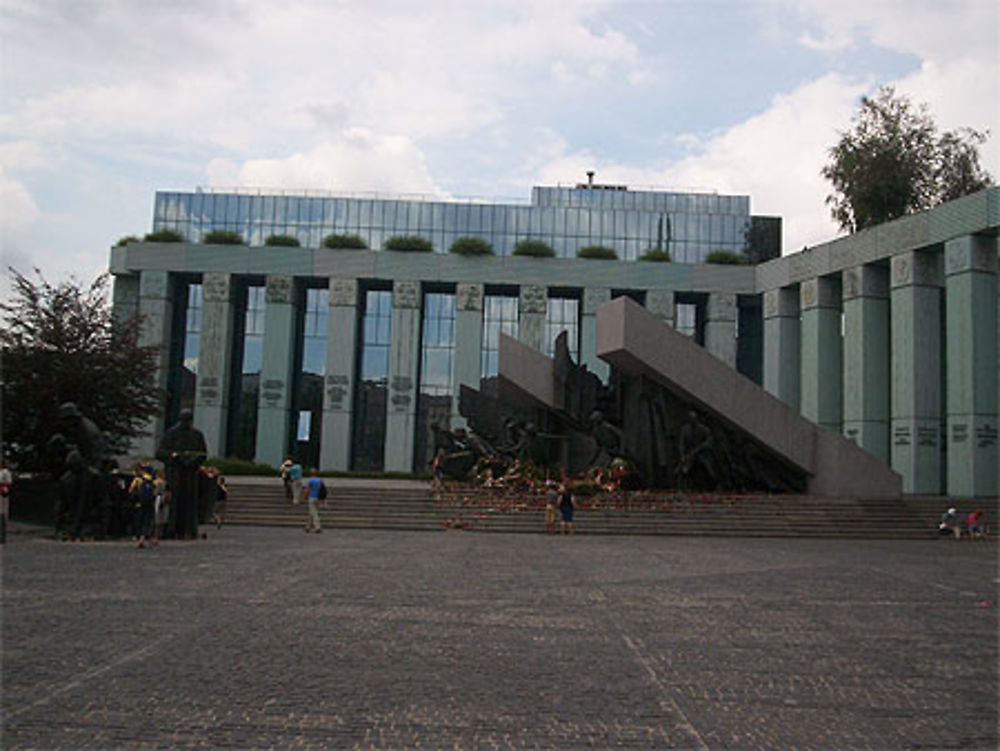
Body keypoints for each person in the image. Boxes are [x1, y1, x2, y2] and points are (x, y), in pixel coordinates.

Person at [156, 409, 207, 540]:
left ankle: (188, 530)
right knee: (174, 502)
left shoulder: (197, 435)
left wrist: (191, 461)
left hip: (190, 474)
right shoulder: (171, 433)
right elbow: (160, 453)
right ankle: (171, 530)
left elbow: (202, 454)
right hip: (175, 473)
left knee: (189, 503)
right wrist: (173, 456)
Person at [129, 464, 158, 548]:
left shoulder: (138, 479)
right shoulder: (153, 480)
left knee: (140, 520)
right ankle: (152, 538)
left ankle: (141, 539)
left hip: (140, 503)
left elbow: (131, 490)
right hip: (150, 503)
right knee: (149, 520)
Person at [303, 469, 324, 533]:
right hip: (318, 498)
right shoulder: (320, 480)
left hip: (312, 497)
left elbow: (307, 490)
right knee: (311, 512)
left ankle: (317, 527)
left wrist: (305, 496)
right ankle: (308, 527)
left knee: (314, 513)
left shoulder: (310, 481)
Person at [0, 461, 12, 544]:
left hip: (2, 493)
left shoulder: (6, 472)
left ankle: (2, 536)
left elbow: (8, 482)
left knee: (2, 514)